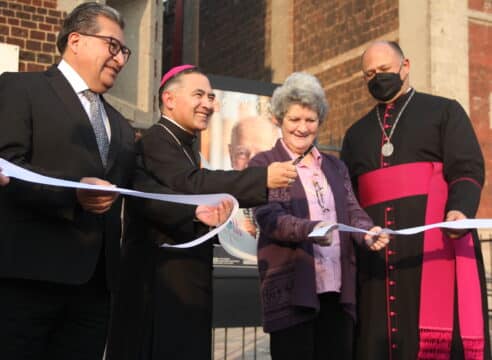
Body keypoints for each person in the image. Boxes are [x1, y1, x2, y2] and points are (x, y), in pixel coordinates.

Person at [106, 65, 298, 360]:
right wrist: (260, 178)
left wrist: (203, 213)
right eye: (199, 95)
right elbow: (191, 184)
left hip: (184, 283)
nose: (208, 103)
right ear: (169, 99)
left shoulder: (187, 147)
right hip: (159, 286)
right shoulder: (157, 140)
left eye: (211, 96)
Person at [0, 3, 137, 359]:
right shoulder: (21, 89)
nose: (120, 60)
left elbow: (136, 188)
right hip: (28, 281)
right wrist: (73, 192)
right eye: (113, 46)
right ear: (76, 40)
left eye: (125, 51)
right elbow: (8, 167)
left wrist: (205, 203)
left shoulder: (120, 125)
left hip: (95, 292)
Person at [340, 41, 490, 360]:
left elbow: (467, 167)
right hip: (377, 260)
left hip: (434, 245)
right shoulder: (355, 134)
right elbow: (348, 194)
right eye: (369, 74)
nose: (377, 78)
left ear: (404, 67)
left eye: (383, 70)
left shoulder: (444, 111)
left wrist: (459, 209)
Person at [249, 72, 389, 360]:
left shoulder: (336, 167)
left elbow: (352, 211)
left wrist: (368, 232)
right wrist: (313, 229)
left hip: (337, 290)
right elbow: (270, 217)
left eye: (310, 120)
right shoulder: (264, 163)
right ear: (279, 120)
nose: (302, 127)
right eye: (294, 119)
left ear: (320, 121)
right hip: (292, 292)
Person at [229, 115, 279, 237]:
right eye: (242, 153)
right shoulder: (215, 201)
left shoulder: (290, 201)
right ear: (230, 154)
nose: (251, 162)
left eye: (261, 154)